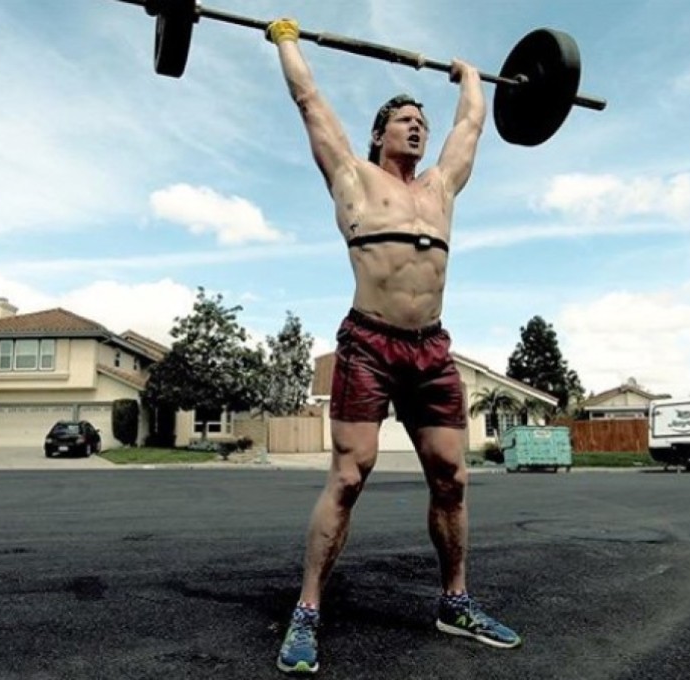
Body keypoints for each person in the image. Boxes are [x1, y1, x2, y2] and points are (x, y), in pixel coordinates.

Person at [266, 17, 522, 675]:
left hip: (432, 350)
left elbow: (470, 128)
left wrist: (471, 80)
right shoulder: (351, 178)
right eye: (404, 119)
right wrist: (286, 40)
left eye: (421, 121)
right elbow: (310, 104)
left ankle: (456, 601)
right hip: (370, 346)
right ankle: (308, 611)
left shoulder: (439, 190)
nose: (417, 126)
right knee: (350, 474)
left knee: (453, 476)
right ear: (379, 133)